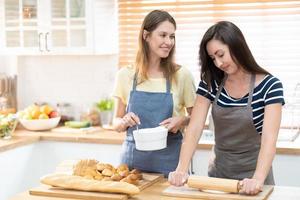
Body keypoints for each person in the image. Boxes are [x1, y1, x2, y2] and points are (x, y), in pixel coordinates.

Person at [168, 21, 285, 195]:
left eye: (221, 54)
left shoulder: (270, 85)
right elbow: (194, 128)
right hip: (218, 179)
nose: (218, 63)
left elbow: (269, 139)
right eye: (213, 58)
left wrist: (257, 179)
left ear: (236, 45)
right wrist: (181, 168)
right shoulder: (211, 82)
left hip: (254, 178)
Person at [112, 10, 196, 177]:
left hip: (171, 166)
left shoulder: (181, 75)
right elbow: (115, 122)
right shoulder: (125, 75)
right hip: (131, 168)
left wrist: (182, 120)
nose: (169, 42)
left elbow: (197, 119)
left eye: (172, 36)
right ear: (146, 35)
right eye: (163, 35)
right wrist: (123, 122)